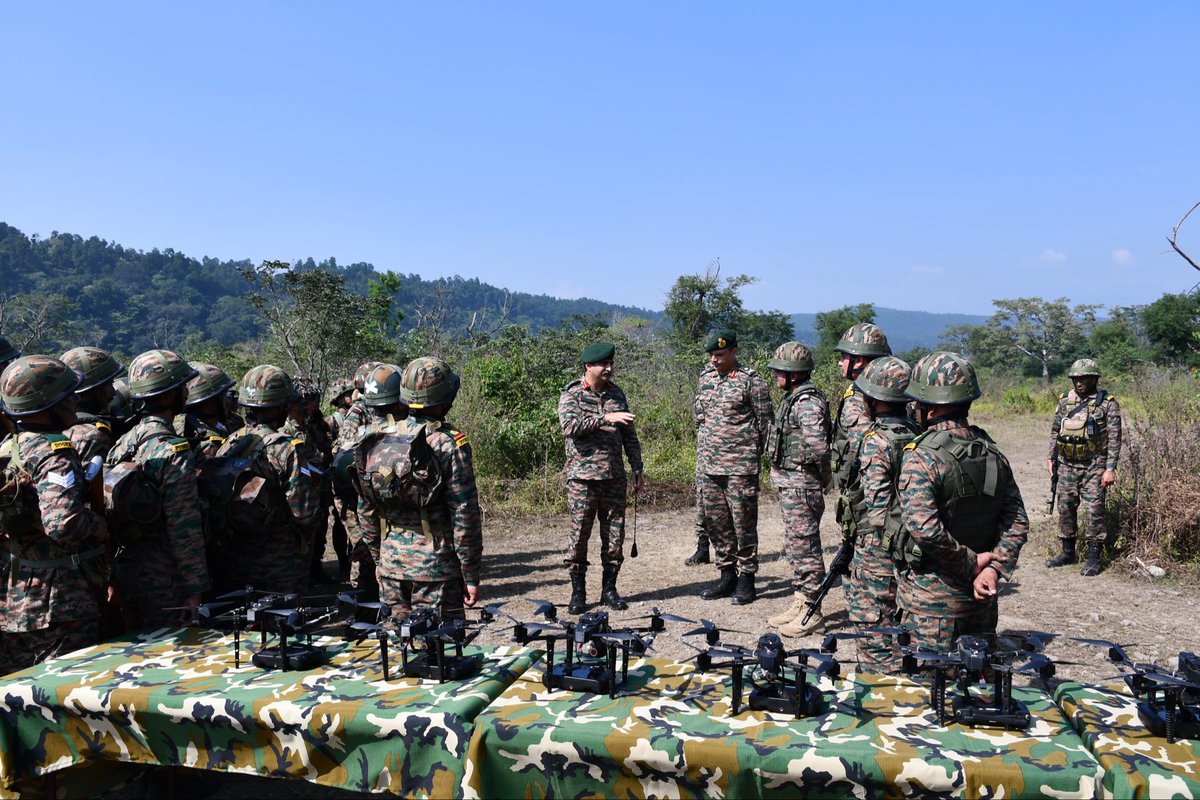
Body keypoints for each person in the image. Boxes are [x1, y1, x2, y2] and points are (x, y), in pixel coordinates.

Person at [897, 351, 1028, 654]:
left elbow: (925, 528)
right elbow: (1017, 521)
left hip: (933, 607)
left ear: (927, 410)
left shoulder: (922, 456)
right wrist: (993, 569)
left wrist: (971, 566)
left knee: (932, 692)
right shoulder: (991, 452)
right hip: (981, 600)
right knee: (980, 689)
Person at [0, 355, 108, 674]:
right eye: (67, 395)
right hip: (58, 603)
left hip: (11, 596)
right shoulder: (54, 451)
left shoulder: (8, 449)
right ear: (49, 405)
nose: (75, 400)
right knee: (65, 700)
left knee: (17, 698)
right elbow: (63, 523)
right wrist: (98, 525)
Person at [352, 357, 482, 621]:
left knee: (395, 647)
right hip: (436, 568)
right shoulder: (448, 443)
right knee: (439, 651)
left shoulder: (378, 437)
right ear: (445, 398)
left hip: (391, 565)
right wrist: (471, 573)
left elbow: (365, 506)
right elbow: (464, 514)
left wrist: (378, 558)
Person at [105, 350, 210, 631]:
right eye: (182, 387)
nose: (187, 393)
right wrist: (195, 588)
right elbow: (183, 524)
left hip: (128, 570)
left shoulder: (123, 443)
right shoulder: (173, 450)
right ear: (167, 395)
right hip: (166, 577)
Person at [211, 365, 322, 595]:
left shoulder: (229, 442)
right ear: (281, 406)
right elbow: (304, 512)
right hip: (278, 560)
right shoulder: (286, 448)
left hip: (234, 555)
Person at [558, 342, 644, 614]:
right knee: (579, 538)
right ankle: (578, 592)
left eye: (611, 364)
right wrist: (605, 417)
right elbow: (570, 427)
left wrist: (637, 467)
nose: (608, 368)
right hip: (582, 479)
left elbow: (629, 434)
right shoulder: (572, 394)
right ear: (588, 366)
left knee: (614, 538)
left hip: (614, 477)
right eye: (603, 365)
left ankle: (609, 590)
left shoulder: (617, 393)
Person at [845, 356, 919, 670]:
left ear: (875, 399)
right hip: (917, 542)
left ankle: (878, 676)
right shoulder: (921, 434)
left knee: (874, 618)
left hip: (880, 546)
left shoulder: (877, 442)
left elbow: (877, 512)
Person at [694, 329, 773, 605]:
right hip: (709, 466)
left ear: (734, 352)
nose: (714, 360)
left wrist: (762, 460)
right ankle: (726, 575)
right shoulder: (705, 379)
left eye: (720, 355)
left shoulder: (752, 381)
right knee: (718, 524)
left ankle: (747, 578)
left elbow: (766, 424)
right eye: (712, 356)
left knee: (743, 525)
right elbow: (700, 419)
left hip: (741, 466)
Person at [761, 342, 832, 636]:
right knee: (795, 546)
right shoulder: (794, 398)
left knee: (806, 548)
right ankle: (801, 600)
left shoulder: (807, 402)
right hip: (791, 483)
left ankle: (812, 609)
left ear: (792, 373)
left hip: (802, 485)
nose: (775, 374)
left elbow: (819, 447)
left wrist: (818, 476)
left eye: (779, 369)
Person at [1046, 358, 1121, 577]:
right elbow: (1055, 430)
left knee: (1094, 510)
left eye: (1084, 378)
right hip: (1067, 464)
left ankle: (1093, 558)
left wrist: (1110, 468)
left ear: (1094, 378)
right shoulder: (1064, 401)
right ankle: (1068, 553)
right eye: (1076, 379)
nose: (1079, 382)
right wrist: (1051, 457)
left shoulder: (1107, 403)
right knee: (1066, 507)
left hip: (1094, 466)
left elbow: (1115, 438)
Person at [831, 323, 892, 543]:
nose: (840, 362)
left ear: (860, 360)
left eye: (844, 356)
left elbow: (864, 451)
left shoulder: (858, 397)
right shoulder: (899, 391)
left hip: (870, 495)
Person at [285, 377, 344, 583]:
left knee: (320, 530)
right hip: (300, 490)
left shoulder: (315, 425)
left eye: (314, 400)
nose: (312, 405)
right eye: (307, 400)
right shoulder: (288, 428)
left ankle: (315, 568)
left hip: (319, 487)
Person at [59, 346, 125, 465]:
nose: (113, 391)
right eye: (109, 384)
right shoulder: (92, 436)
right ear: (91, 390)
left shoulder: (57, 423)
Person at [175, 363, 237, 462]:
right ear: (209, 404)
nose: (229, 400)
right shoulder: (209, 445)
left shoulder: (179, 423)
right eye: (224, 395)